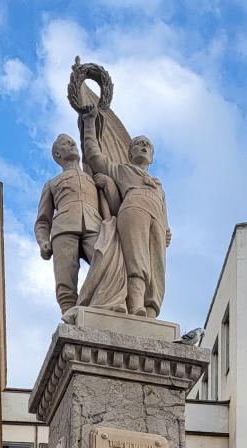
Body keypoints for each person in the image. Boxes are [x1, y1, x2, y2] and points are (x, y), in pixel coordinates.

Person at [82, 107, 172, 318]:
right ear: (130, 152)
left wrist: (167, 228)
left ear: (152, 156)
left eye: (147, 145)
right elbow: (95, 156)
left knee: (156, 267)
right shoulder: (122, 170)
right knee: (137, 258)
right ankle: (136, 305)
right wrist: (88, 124)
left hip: (156, 218)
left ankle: (151, 310)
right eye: (138, 144)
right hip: (133, 208)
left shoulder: (159, 185)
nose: (143, 146)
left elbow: (164, 210)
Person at [34, 134, 116, 313]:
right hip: (63, 228)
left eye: (72, 142)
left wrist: (107, 184)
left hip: (94, 225)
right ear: (57, 154)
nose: (72, 144)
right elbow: (42, 220)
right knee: (66, 276)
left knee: (106, 262)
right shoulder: (52, 183)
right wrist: (43, 241)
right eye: (65, 143)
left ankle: (102, 304)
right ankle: (68, 313)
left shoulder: (93, 178)